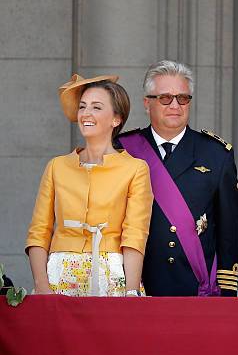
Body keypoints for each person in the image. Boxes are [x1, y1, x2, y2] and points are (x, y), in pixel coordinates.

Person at [117, 60, 238, 297]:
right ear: (147, 103)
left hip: (195, 289)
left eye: (182, 98)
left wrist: (225, 294)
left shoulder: (216, 154)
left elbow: (229, 234)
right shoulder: (124, 150)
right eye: (165, 98)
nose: (175, 105)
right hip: (136, 283)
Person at [25, 75, 153, 297]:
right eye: (82, 106)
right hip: (59, 275)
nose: (86, 113)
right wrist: (42, 286)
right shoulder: (57, 166)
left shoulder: (135, 169)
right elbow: (39, 232)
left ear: (116, 119)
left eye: (96, 107)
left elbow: (135, 235)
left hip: (111, 276)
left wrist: (131, 292)